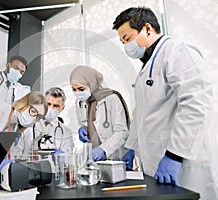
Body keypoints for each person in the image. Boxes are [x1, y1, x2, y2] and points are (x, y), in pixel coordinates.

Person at [112, 6, 218, 199]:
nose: (126, 46)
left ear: (147, 29)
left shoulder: (177, 52)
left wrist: (174, 155)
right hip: (156, 163)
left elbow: (197, 103)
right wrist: (131, 147)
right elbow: (141, 114)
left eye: (127, 39)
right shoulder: (148, 66)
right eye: (122, 42)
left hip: (185, 165)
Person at [69, 65, 130, 162]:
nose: (77, 93)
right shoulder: (80, 102)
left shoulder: (112, 98)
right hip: (93, 158)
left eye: (81, 89)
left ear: (92, 84)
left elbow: (122, 132)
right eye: (74, 89)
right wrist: (83, 129)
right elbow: (86, 124)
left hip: (114, 157)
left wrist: (104, 149)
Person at [12, 87, 74, 159]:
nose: (51, 108)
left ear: (62, 108)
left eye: (56, 106)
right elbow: (15, 153)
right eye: (48, 104)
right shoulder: (27, 123)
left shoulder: (66, 133)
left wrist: (62, 157)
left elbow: (69, 160)